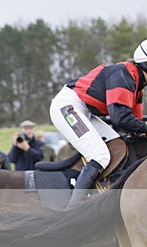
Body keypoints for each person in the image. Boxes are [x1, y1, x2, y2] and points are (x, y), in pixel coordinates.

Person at [50, 39, 147, 207]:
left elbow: (135, 124)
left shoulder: (137, 83)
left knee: (118, 146)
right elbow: (120, 118)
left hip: (84, 110)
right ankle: (74, 209)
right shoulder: (125, 74)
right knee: (100, 155)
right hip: (67, 107)